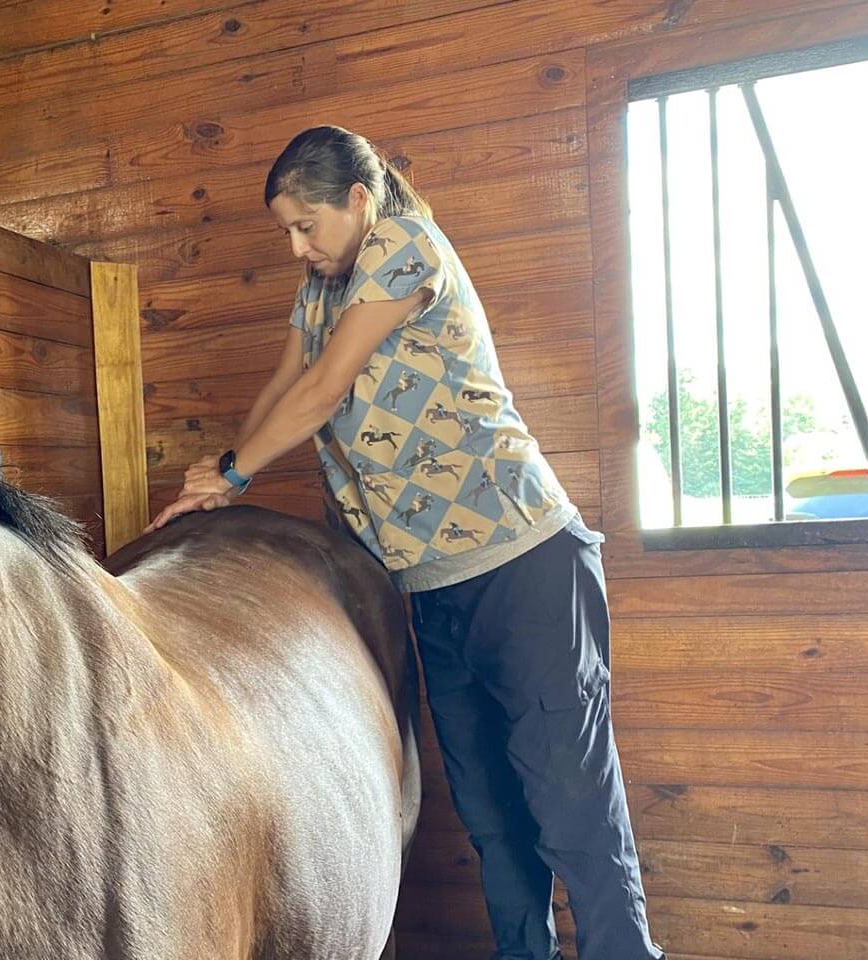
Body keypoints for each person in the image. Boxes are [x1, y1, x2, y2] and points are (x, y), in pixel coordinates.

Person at [148, 125, 666, 960]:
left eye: (306, 225)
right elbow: (286, 379)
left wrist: (237, 473)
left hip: (523, 563)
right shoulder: (322, 285)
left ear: (357, 200)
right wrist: (217, 478)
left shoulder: (405, 247)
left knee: (572, 811)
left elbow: (322, 390)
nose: (296, 246)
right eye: (285, 231)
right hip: (427, 584)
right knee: (491, 818)